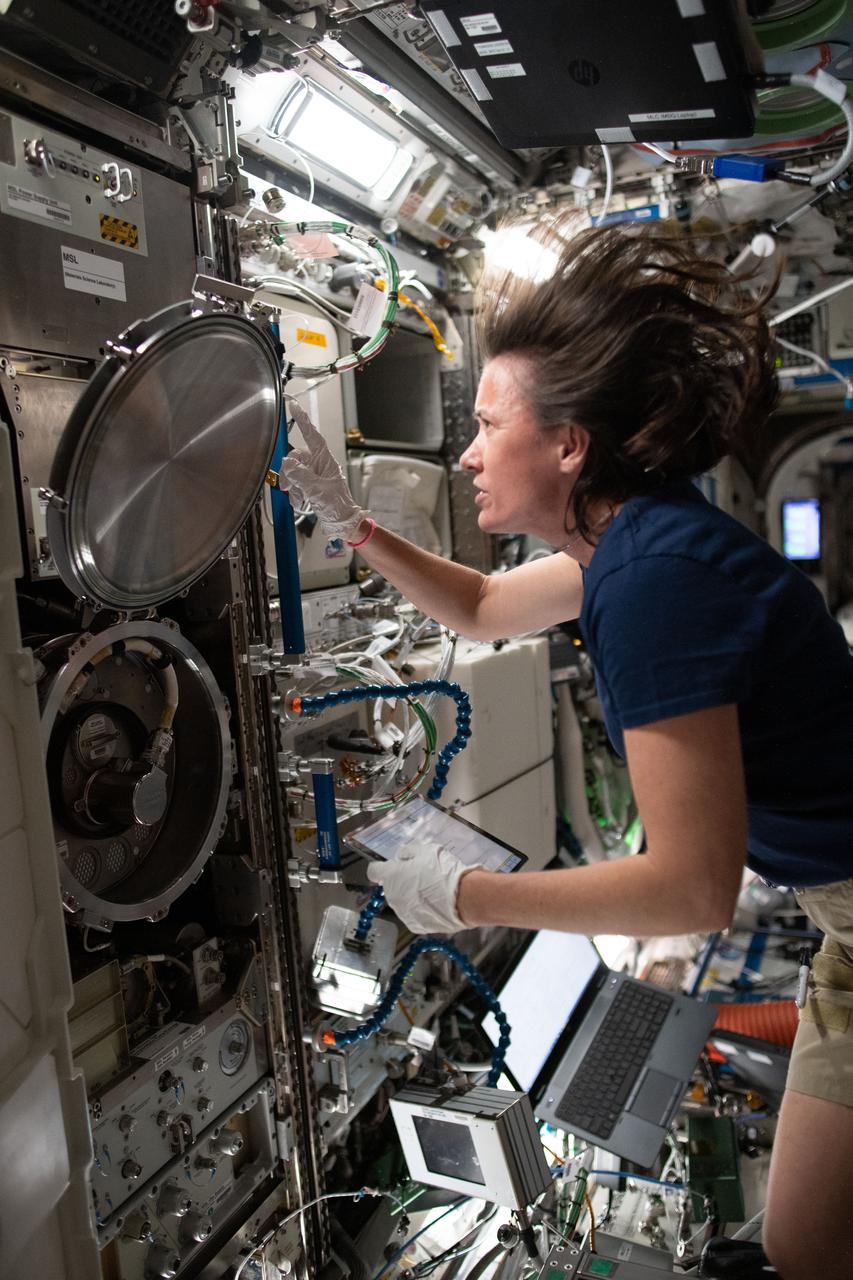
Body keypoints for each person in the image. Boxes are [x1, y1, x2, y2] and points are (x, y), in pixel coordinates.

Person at [282, 221, 853, 1280]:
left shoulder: (647, 586)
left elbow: (688, 887)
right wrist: (352, 523)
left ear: (568, 443)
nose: (464, 450)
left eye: (488, 422)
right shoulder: (633, 534)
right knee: (803, 1240)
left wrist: (466, 893)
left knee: (810, 1244)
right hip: (839, 904)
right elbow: (489, 604)